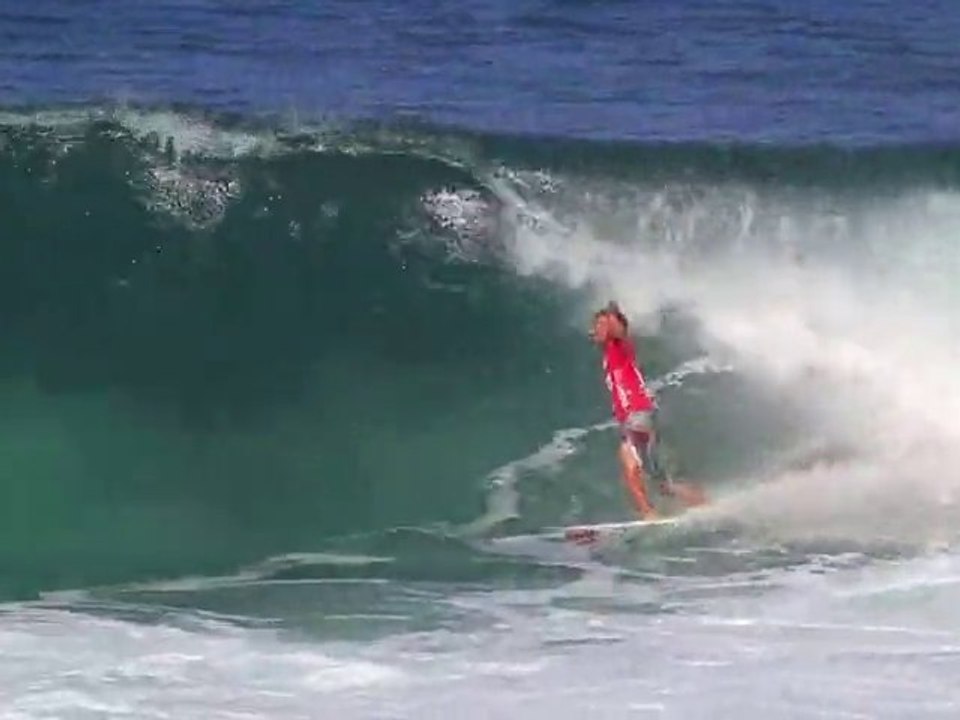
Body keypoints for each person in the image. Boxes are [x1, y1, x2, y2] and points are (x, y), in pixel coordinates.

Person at [590, 301, 706, 519]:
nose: (595, 330)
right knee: (662, 483)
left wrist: (612, 315)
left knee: (628, 459)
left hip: (639, 415)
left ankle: (648, 513)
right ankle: (703, 505)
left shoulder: (620, 348)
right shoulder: (609, 355)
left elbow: (622, 332)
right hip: (637, 417)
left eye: (600, 325)